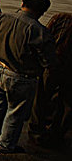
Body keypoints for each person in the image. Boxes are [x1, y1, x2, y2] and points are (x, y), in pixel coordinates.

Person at [0, 0, 55, 155]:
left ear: (23, 3)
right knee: (15, 112)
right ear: (42, 11)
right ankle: (5, 145)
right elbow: (47, 61)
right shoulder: (38, 30)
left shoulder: (2, 18)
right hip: (20, 75)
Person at [28, 12, 72, 148]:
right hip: (63, 67)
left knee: (41, 98)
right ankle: (57, 132)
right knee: (66, 104)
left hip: (52, 64)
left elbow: (44, 37)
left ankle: (37, 132)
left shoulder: (61, 18)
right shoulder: (62, 18)